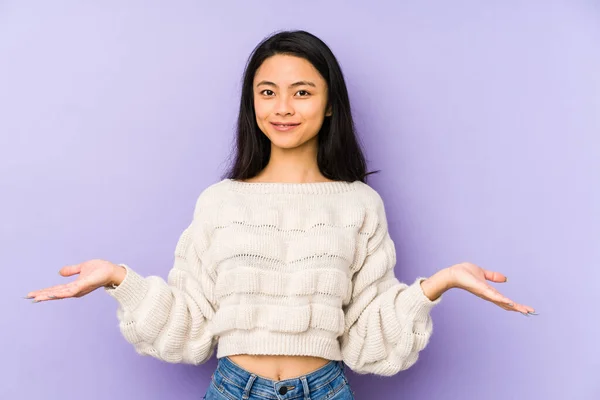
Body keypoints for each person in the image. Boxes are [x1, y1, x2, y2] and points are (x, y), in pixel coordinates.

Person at [26, 30, 537, 400]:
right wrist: (120, 280)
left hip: (326, 390)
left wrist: (437, 284)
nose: (283, 107)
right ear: (253, 104)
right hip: (232, 391)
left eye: (302, 91)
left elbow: (365, 342)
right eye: (267, 92)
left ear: (330, 103)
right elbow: (193, 327)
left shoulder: (358, 204)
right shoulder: (220, 201)